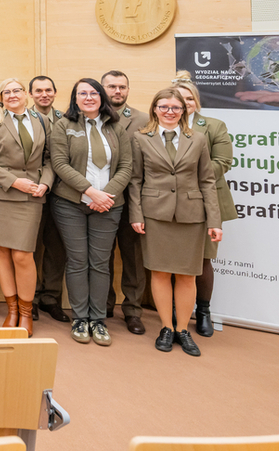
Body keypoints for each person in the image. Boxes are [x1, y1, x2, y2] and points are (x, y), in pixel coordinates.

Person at [129, 88, 222, 357]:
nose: (170, 112)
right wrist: (136, 215)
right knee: (159, 273)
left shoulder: (198, 139)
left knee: (186, 274)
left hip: (191, 215)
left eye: (175, 107)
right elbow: (135, 180)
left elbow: (207, 181)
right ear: (154, 109)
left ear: (183, 111)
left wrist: (214, 221)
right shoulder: (140, 138)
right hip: (155, 215)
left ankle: (183, 329)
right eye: (164, 107)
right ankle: (166, 328)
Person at [49, 79, 133, 346]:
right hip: (70, 204)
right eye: (82, 93)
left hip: (108, 205)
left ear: (101, 97)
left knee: (100, 263)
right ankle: (79, 319)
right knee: (77, 261)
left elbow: (127, 166)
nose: (88, 97)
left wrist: (105, 195)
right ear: (75, 98)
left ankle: (98, 320)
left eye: (93, 93)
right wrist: (90, 191)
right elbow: (59, 163)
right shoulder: (64, 125)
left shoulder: (116, 127)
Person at [0, 78, 54, 337]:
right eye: (6, 92)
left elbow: (49, 158)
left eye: (17, 90)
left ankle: (26, 312)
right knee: (2, 252)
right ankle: (12, 311)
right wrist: (14, 181)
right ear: (1, 97)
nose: (12, 95)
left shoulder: (41, 120)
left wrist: (45, 183)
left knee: (22, 255)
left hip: (31, 195)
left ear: (26, 94)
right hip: (1, 194)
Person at [171, 71, 237, 337]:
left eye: (189, 98)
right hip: (170, 202)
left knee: (203, 259)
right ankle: (176, 310)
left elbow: (223, 162)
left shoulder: (214, 126)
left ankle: (203, 311)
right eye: (179, 98)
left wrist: (189, 177)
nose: (184, 103)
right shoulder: (162, 127)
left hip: (206, 200)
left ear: (196, 101)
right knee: (173, 258)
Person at [101, 70, 150, 335]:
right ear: (102, 89)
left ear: (128, 90)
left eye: (122, 86)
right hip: (101, 198)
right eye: (111, 86)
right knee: (102, 255)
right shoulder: (93, 117)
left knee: (132, 258)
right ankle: (105, 304)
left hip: (132, 200)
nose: (117, 91)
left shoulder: (143, 119)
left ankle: (132, 310)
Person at [28, 75, 69, 323]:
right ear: (31, 94)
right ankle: (30, 298)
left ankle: (50, 298)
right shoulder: (24, 118)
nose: (44, 94)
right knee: (30, 248)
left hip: (62, 192)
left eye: (48, 90)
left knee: (57, 248)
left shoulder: (67, 119)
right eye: (39, 90)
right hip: (33, 190)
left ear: (54, 92)